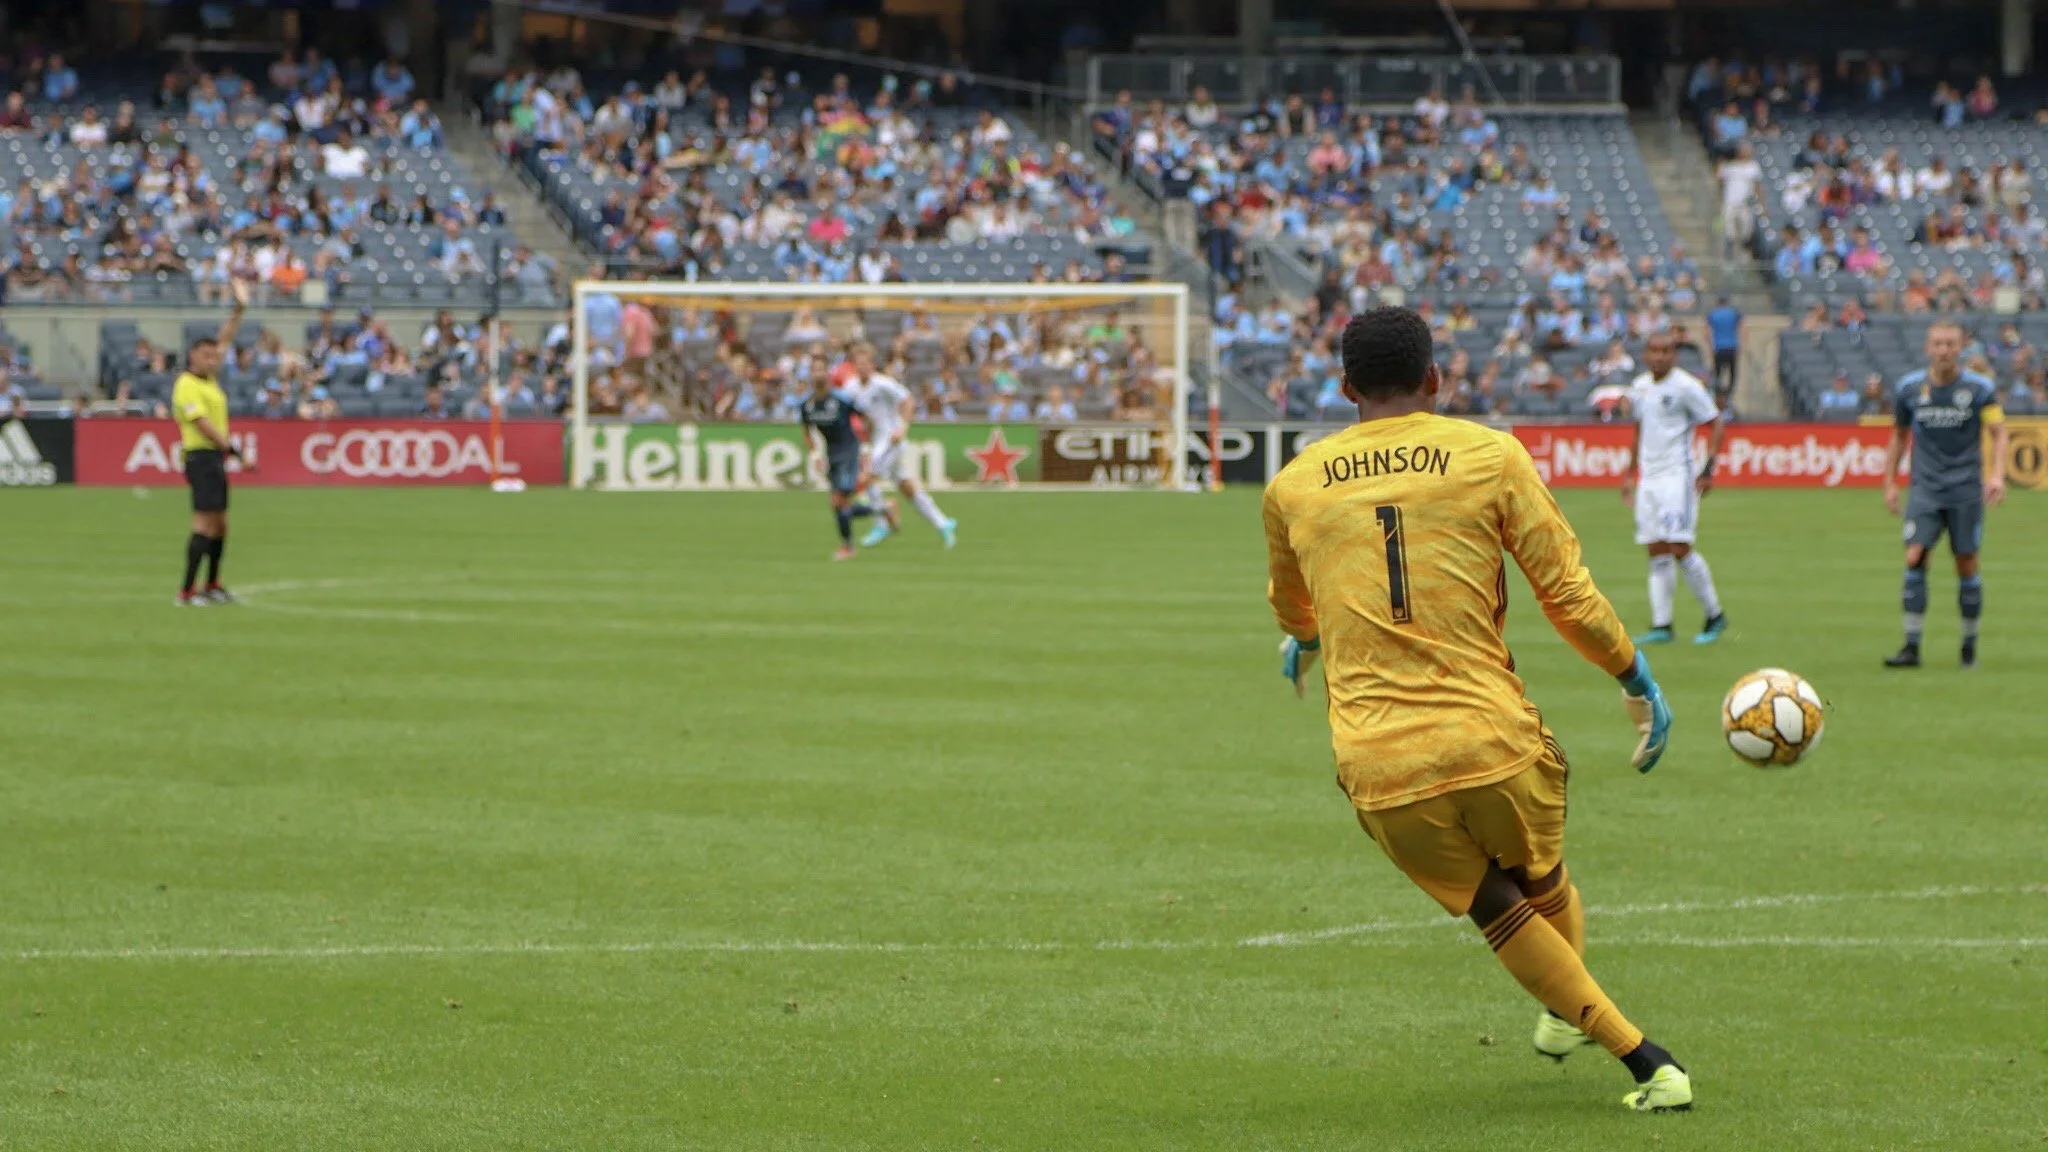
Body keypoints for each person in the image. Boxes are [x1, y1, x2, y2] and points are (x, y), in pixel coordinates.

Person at [1261, 307, 1690, 1114]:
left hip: (1381, 762)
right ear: (1435, 379)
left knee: (1498, 911)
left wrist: (1306, 640)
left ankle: (1634, 1054)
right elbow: (1566, 596)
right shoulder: (1490, 455)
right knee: (1541, 878)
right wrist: (1634, 676)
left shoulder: (1292, 485)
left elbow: (1292, 608)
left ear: (1346, 388)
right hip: (1495, 740)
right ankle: (1623, 1046)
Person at [1882, 321, 2008, 668]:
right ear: (1928, 348)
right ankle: (1911, 647)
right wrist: (1890, 482)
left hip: (1965, 490)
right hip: (1925, 489)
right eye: (1938, 344)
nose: (1944, 350)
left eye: (1950, 344)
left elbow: (1999, 433)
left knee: (1966, 563)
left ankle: (1968, 649)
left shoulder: (1980, 389)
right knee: (1914, 557)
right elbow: (1898, 436)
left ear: (1961, 348)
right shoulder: (1909, 389)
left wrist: (1996, 475)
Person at [1620, 332, 1729, 645]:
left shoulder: (1686, 386)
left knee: (1679, 547)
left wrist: (1708, 469)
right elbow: (1639, 429)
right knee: (1655, 548)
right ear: (1645, 355)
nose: (1659, 357)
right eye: (1654, 351)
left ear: (1674, 355)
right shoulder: (1640, 386)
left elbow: (1716, 422)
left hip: (1676, 477)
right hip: (1649, 479)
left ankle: (1715, 615)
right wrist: (1630, 473)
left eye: (1666, 351)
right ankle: (1662, 625)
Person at [173, 284, 251, 606]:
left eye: (214, 355)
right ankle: (186, 591)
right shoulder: (186, 384)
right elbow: (201, 424)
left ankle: (213, 583)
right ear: (192, 356)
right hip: (201, 457)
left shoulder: (209, 380)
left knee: (220, 525)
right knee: (204, 523)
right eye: (206, 355)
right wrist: (232, 449)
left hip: (214, 459)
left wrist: (239, 309)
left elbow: (226, 338)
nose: (212, 359)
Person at [846, 343, 957, 550]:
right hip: (875, 441)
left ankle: (882, 522)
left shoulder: (882, 384)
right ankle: (943, 523)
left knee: (867, 478)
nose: (862, 367)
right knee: (906, 487)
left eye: (866, 363)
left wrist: (902, 428)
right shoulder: (850, 387)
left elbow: (908, 401)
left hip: (891, 440)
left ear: (873, 364)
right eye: (858, 363)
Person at [799, 369, 877, 562]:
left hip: (848, 451)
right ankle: (882, 509)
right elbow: (806, 430)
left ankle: (848, 547)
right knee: (838, 504)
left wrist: (866, 445)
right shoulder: (807, 404)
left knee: (839, 500)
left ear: (828, 379)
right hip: (831, 453)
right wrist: (815, 455)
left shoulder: (842, 399)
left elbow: (868, 418)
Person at [1705, 296, 1741, 401]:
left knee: (1718, 373)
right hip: (1731, 346)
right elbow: (1743, 327)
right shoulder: (1733, 313)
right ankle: (1728, 394)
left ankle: (1718, 395)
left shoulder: (1713, 314)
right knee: (1732, 373)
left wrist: (1710, 346)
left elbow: (1706, 331)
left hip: (1718, 347)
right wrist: (1741, 344)